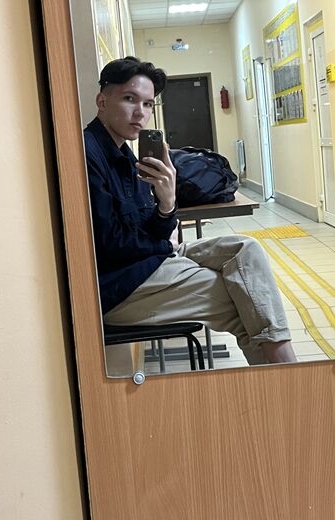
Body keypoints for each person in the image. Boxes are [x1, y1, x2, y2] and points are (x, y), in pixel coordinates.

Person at [84, 56, 297, 365]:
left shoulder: (127, 157)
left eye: (148, 104)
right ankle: (289, 376)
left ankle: (286, 373)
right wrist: (164, 245)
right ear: (102, 101)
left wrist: (167, 202)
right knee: (244, 300)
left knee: (245, 249)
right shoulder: (88, 154)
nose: (140, 112)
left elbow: (149, 228)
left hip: (148, 260)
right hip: (121, 285)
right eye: (129, 99)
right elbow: (110, 245)